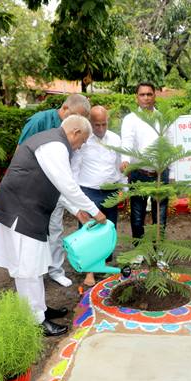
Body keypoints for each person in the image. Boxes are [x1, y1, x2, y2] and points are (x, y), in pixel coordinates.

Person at [0, 115, 107, 337]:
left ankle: (39, 309)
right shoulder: (55, 145)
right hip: (20, 211)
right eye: (82, 141)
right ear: (75, 132)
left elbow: (58, 187)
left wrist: (77, 211)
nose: (80, 147)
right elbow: (67, 184)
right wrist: (95, 212)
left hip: (26, 211)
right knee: (27, 268)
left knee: (35, 264)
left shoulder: (52, 142)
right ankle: (35, 320)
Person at [18, 94, 91, 288]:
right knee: (32, 233)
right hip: (33, 187)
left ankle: (56, 270)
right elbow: (20, 152)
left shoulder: (74, 131)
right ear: (65, 108)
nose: (78, 122)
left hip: (56, 186)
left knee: (55, 230)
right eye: (76, 116)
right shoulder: (39, 121)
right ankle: (33, 271)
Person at [71, 105, 127, 286]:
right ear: (90, 122)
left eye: (104, 124)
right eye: (97, 125)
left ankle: (103, 264)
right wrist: (76, 196)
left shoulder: (115, 139)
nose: (101, 128)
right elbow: (75, 168)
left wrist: (124, 188)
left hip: (111, 190)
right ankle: (89, 271)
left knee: (108, 230)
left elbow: (120, 165)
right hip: (89, 191)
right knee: (88, 231)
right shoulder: (84, 139)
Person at [120, 82, 169, 243]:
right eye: (142, 94)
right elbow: (127, 141)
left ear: (155, 96)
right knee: (137, 215)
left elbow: (170, 143)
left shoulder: (162, 118)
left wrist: (172, 172)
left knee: (160, 215)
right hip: (138, 173)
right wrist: (125, 160)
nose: (146, 98)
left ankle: (159, 249)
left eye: (149, 94)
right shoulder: (130, 119)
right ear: (137, 98)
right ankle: (139, 250)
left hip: (160, 173)